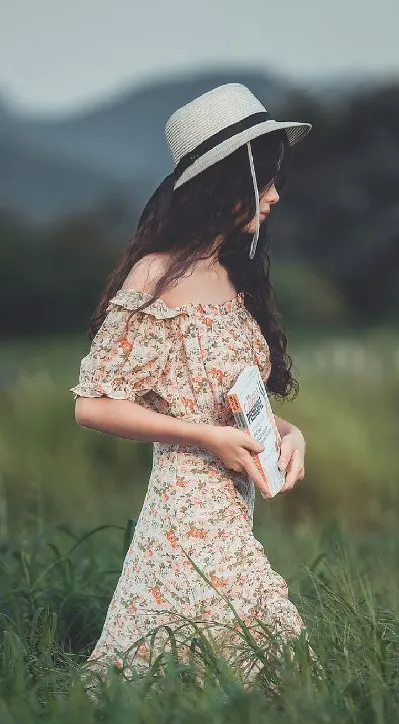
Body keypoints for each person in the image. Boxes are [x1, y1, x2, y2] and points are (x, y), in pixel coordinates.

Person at [70, 82, 312, 683]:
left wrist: (289, 432)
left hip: (232, 504)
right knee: (241, 655)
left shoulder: (232, 272)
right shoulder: (155, 275)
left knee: (218, 667)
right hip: (183, 506)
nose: (276, 196)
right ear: (225, 184)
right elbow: (94, 405)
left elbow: (232, 398)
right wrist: (205, 438)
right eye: (266, 181)